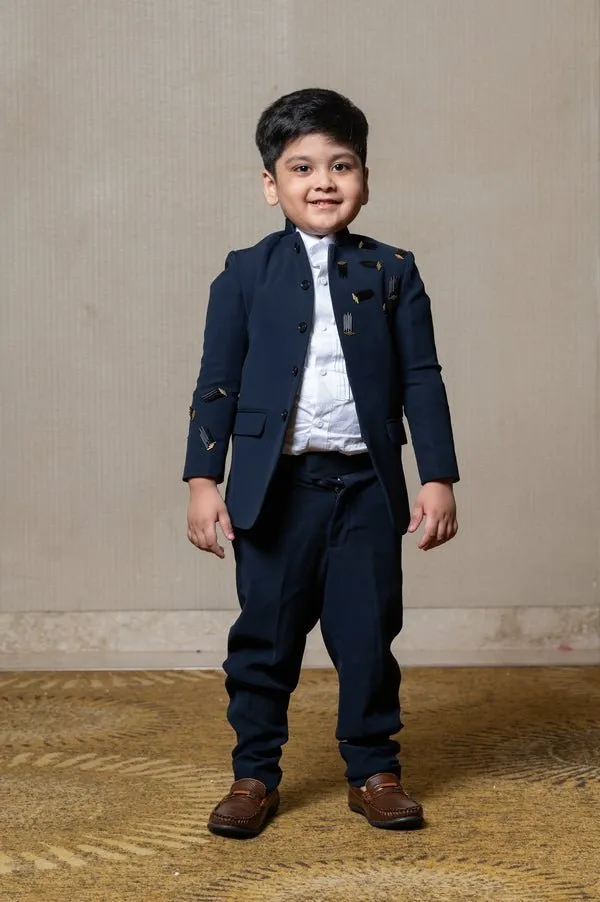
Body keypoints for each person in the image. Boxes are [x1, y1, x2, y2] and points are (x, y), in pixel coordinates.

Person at [183, 88, 459, 838]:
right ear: (271, 183)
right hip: (275, 489)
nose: (324, 181)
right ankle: (253, 775)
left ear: (366, 176)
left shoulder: (394, 271)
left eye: (342, 165)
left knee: (368, 632)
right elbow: (217, 380)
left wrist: (436, 475)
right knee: (265, 636)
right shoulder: (244, 273)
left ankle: (374, 770)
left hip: (367, 486)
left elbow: (421, 377)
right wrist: (203, 480)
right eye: (302, 167)